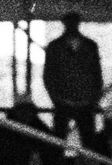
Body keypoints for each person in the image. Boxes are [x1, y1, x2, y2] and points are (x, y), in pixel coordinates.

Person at [41, 13, 104, 143]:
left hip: (83, 102)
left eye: (73, 22)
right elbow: (48, 75)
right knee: (59, 141)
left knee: (87, 141)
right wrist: (57, 99)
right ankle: (61, 162)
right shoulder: (55, 47)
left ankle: (85, 162)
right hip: (64, 101)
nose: (71, 26)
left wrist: (93, 99)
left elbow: (97, 74)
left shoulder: (90, 46)